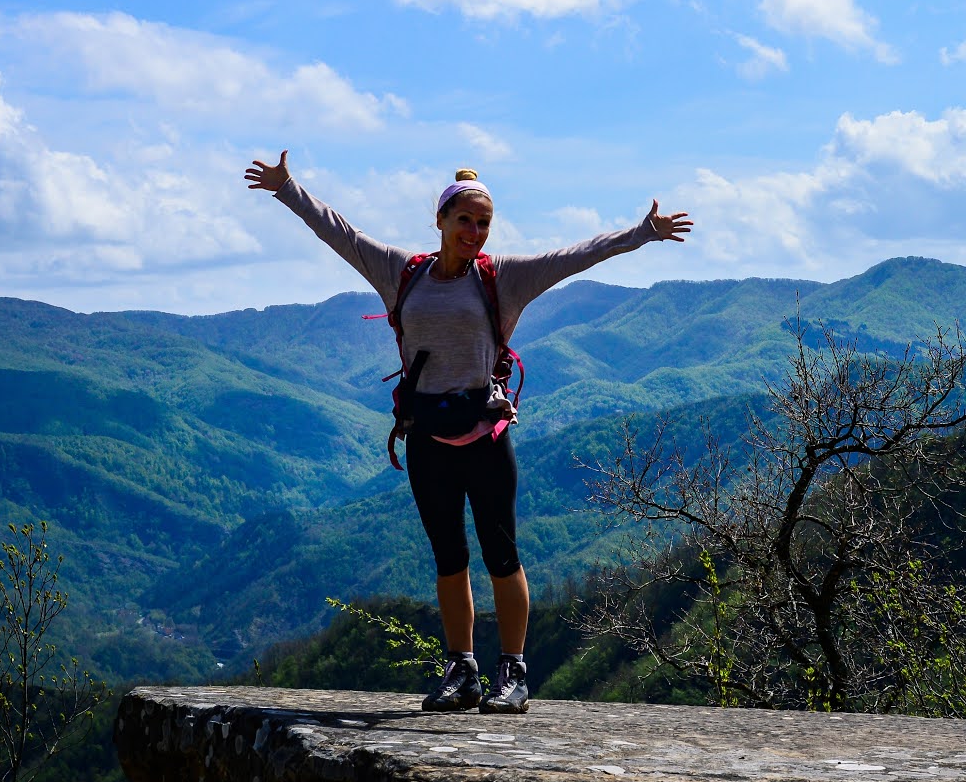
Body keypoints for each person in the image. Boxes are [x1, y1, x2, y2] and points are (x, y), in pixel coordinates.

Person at [244, 151, 692, 713]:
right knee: (449, 559)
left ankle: (514, 670)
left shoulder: (501, 277)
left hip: (484, 436)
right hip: (428, 437)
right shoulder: (401, 272)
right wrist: (288, 189)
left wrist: (641, 233)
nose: (475, 233)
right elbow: (343, 234)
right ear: (441, 221)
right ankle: (462, 669)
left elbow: (574, 256)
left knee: (501, 553)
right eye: (465, 221)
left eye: (484, 224)